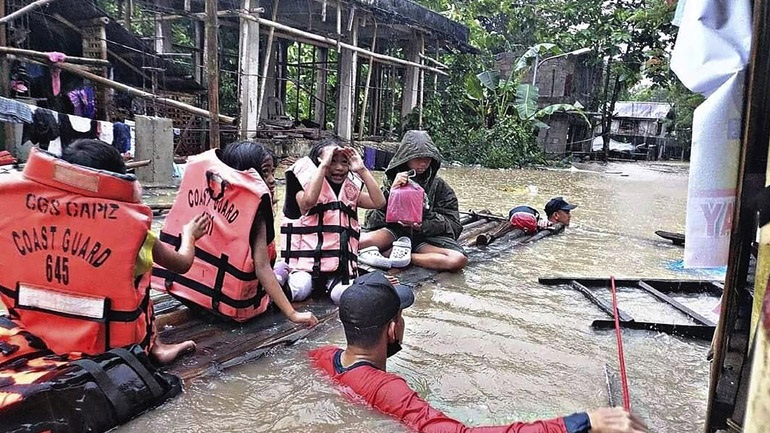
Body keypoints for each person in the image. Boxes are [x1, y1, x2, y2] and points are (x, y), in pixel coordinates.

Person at [310, 272, 648, 433]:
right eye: (401, 316)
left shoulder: (322, 357)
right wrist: (580, 422)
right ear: (391, 330)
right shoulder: (389, 388)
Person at [0, 140, 206, 364]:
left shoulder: (18, 211)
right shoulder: (131, 228)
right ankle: (156, 348)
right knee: (140, 275)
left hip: (34, 330)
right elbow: (181, 263)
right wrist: (190, 235)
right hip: (108, 344)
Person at [152, 140, 318, 327]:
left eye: (272, 172)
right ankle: (284, 270)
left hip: (189, 293)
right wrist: (293, 314)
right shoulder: (255, 212)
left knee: (281, 267)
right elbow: (262, 268)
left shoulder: (207, 192)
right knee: (288, 274)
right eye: (265, 172)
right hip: (231, 308)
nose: (272, 180)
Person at [281, 137, 386, 304]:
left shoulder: (350, 192)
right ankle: (279, 277)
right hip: (306, 268)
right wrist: (323, 166)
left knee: (345, 296)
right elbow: (308, 202)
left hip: (339, 270)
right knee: (299, 289)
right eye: (332, 161)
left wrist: (362, 170)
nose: (339, 167)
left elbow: (379, 202)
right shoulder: (302, 188)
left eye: (344, 162)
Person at [359, 130, 468, 272]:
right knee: (356, 243)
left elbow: (454, 225)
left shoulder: (440, 186)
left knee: (457, 260)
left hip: (424, 239)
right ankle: (394, 252)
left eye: (427, 159)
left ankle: (401, 257)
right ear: (406, 158)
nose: (423, 163)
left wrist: (422, 223)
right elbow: (371, 220)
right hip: (393, 233)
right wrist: (391, 193)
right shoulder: (392, 180)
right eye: (418, 158)